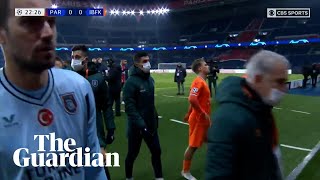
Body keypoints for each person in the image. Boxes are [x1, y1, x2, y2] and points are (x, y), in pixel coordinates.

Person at [0, 0, 107, 179]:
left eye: (51, 21)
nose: (48, 33)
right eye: (30, 22)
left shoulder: (79, 88)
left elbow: (94, 171)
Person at [205, 50, 289, 180]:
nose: (284, 89)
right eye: (279, 82)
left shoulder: (261, 108)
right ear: (258, 79)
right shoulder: (228, 119)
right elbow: (218, 175)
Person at [71, 45, 115, 179]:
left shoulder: (98, 79)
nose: (74, 60)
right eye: (72, 57)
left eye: (77, 57)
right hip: (71, 133)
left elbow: (106, 106)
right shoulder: (67, 77)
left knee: (101, 167)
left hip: (95, 131)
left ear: (85, 59)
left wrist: (111, 128)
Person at [123, 52, 163, 180]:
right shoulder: (130, 82)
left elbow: (150, 104)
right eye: (144, 61)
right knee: (132, 154)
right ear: (136, 63)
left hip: (151, 125)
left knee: (157, 151)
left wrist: (154, 118)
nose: (148, 63)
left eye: (148, 60)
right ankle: (129, 177)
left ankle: (159, 177)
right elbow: (130, 107)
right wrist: (141, 124)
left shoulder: (150, 79)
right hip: (136, 127)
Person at [181, 58, 211, 180]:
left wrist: (188, 113)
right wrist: (202, 113)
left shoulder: (202, 81)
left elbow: (195, 100)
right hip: (199, 119)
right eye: (205, 65)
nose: (207, 66)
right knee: (193, 146)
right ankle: (185, 171)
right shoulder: (198, 82)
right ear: (200, 68)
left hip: (203, 118)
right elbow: (192, 99)